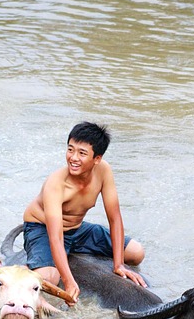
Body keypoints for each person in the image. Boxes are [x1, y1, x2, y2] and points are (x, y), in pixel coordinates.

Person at [22, 121, 146, 303]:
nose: (73, 158)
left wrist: (119, 264)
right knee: (49, 278)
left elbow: (115, 218)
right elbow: (55, 237)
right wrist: (69, 281)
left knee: (136, 253)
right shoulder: (56, 183)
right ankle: (14, 268)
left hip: (77, 229)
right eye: (70, 150)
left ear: (97, 158)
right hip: (42, 227)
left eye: (82, 153)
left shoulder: (104, 170)